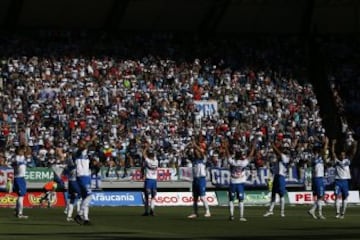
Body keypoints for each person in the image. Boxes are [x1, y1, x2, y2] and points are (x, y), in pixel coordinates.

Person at [226, 140, 255, 221]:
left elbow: (228, 155)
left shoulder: (232, 162)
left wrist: (225, 146)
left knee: (231, 200)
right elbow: (251, 155)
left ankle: (231, 216)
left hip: (233, 182)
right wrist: (253, 146)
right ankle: (241, 216)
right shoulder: (243, 163)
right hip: (240, 183)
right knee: (241, 200)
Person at [331, 138, 357, 219]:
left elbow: (353, 153)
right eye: (341, 155)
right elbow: (333, 152)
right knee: (336, 196)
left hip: (345, 181)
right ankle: (337, 213)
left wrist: (355, 145)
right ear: (339, 156)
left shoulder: (347, 161)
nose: (342, 156)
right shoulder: (337, 161)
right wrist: (333, 144)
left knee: (345, 197)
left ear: (345, 156)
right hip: (338, 181)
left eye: (343, 155)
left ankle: (342, 214)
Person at [263, 141, 291, 217]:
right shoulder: (281, 157)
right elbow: (277, 153)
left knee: (281, 195)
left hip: (281, 177)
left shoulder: (285, 157)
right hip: (277, 176)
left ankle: (282, 212)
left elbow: (278, 153)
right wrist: (274, 147)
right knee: (273, 194)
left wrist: (273, 146)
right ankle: (270, 210)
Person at [187, 138, 211, 219]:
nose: (196, 152)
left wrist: (195, 146)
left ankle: (207, 211)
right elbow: (186, 154)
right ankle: (195, 213)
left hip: (201, 179)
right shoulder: (194, 160)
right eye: (195, 152)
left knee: (202, 197)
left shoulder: (203, 159)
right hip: (195, 180)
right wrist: (190, 147)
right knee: (195, 198)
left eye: (197, 151)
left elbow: (201, 152)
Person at [307, 136, 329, 220]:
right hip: (318, 178)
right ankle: (318, 213)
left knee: (321, 196)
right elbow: (323, 151)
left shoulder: (315, 157)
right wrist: (326, 143)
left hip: (317, 178)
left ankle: (314, 211)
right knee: (320, 197)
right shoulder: (316, 157)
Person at [74, 139, 92, 225]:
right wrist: (92, 139)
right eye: (82, 143)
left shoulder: (85, 153)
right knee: (89, 196)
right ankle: (79, 214)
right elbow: (84, 147)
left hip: (86, 176)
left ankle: (86, 219)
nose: (84, 145)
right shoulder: (77, 151)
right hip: (82, 176)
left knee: (85, 198)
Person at [141, 142, 159, 216]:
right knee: (153, 196)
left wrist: (146, 147)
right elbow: (154, 155)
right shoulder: (156, 162)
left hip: (148, 180)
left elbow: (143, 154)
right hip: (154, 180)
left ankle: (146, 211)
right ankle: (152, 210)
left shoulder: (148, 161)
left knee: (146, 196)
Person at [12, 146, 29, 219]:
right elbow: (17, 163)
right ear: (18, 151)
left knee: (21, 195)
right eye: (22, 151)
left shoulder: (22, 157)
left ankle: (17, 211)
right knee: (21, 196)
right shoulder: (17, 157)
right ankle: (20, 213)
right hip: (18, 178)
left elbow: (27, 151)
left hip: (21, 178)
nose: (23, 152)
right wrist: (22, 162)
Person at [64, 156, 82, 222]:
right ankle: (80, 213)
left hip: (70, 183)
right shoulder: (77, 166)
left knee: (72, 199)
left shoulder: (68, 166)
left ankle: (69, 216)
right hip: (74, 182)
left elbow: (64, 174)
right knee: (82, 196)